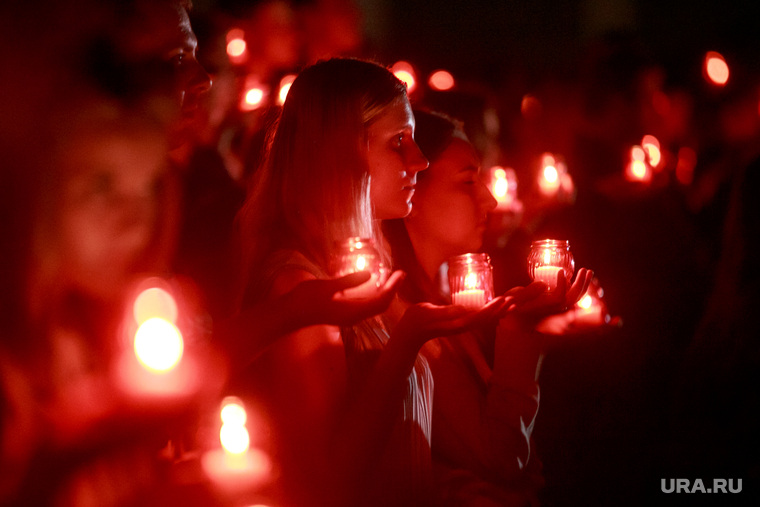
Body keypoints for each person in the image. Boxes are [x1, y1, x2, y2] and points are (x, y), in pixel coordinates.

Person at [234, 58, 508, 506]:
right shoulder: (299, 286)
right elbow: (329, 480)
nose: (418, 160)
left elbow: (397, 450)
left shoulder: (362, 269)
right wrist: (408, 340)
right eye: (398, 141)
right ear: (337, 152)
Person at [383, 110, 599, 506]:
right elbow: (501, 457)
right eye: (468, 181)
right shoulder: (403, 321)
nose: (491, 198)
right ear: (409, 191)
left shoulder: (440, 299)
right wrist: (520, 333)